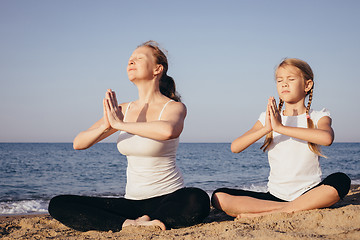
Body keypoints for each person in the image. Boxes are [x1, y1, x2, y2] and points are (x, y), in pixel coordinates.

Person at [48, 41, 210, 231]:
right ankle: (130, 224)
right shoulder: (123, 110)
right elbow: (79, 143)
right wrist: (106, 127)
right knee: (58, 204)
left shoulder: (173, 107)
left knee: (198, 199)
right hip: (132, 204)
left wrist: (120, 125)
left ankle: (150, 220)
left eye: (138, 59)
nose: (131, 62)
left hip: (169, 197)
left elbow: (168, 131)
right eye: (129, 60)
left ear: (158, 69)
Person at [211, 58, 351, 218]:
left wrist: (281, 128)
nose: (284, 84)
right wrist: (267, 128)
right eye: (279, 80)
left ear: (307, 85)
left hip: (309, 192)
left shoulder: (318, 116)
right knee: (218, 196)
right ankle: (288, 208)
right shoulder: (268, 118)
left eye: (291, 79)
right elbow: (235, 147)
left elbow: (327, 138)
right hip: (275, 196)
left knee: (341, 180)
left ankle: (269, 212)